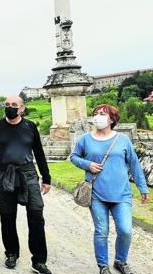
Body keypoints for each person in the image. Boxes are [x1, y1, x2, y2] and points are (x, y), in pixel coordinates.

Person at [70, 104, 149, 274]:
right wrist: (87, 164)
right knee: (101, 231)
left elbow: (134, 165)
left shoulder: (123, 140)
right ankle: (103, 265)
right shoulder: (85, 139)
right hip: (97, 194)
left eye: (102, 114)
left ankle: (120, 261)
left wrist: (143, 188)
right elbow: (74, 157)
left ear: (112, 119)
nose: (97, 116)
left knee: (126, 230)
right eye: (96, 113)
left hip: (122, 194)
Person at [0, 96, 52, 274]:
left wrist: (46, 178)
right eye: (7, 105)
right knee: (7, 217)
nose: (10, 108)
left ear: (22, 108)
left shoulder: (30, 127)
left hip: (28, 174)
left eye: (14, 105)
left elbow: (39, 153)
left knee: (36, 217)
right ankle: (11, 253)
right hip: (4, 174)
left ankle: (39, 261)